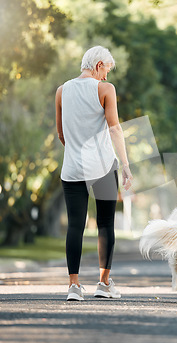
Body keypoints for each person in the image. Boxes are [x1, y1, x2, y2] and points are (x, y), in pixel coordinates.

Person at [55, 45, 133, 301]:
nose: (107, 77)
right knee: (105, 224)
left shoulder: (61, 91)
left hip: (72, 167)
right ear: (99, 65)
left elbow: (61, 135)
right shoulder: (105, 90)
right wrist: (126, 165)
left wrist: (78, 151)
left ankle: (74, 286)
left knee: (75, 225)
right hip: (101, 166)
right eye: (106, 70)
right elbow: (115, 129)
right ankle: (103, 283)